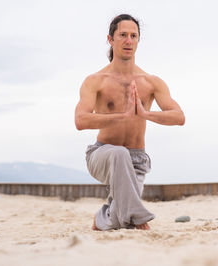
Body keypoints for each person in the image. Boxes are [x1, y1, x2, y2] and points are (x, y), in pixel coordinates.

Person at [74, 14, 185, 231]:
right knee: (119, 153)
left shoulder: (151, 81)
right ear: (110, 39)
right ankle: (141, 219)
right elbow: (80, 120)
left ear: (138, 41)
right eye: (123, 35)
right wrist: (121, 116)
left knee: (120, 219)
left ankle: (102, 218)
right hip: (102, 155)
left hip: (136, 160)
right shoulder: (95, 81)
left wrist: (145, 114)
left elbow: (179, 116)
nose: (128, 41)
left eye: (133, 36)